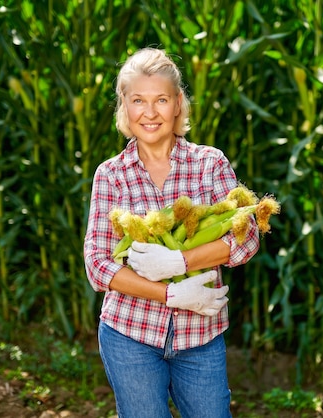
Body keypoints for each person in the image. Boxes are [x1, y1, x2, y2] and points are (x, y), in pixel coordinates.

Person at [83, 47, 260, 417]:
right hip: (129, 334)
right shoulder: (111, 174)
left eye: (161, 99)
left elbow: (246, 239)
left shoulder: (209, 164)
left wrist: (180, 259)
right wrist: (171, 292)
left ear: (178, 104)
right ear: (124, 108)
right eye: (138, 101)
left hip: (201, 337)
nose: (150, 113)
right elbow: (98, 266)